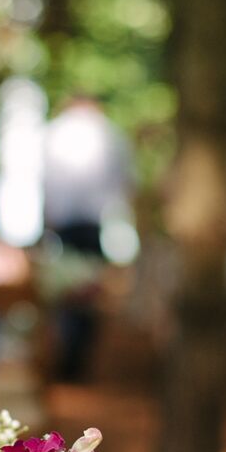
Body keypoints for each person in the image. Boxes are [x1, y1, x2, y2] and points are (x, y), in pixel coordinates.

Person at [41, 95, 135, 380]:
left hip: (65, 224)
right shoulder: (110, 133)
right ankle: (78, 357)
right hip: (94, 224)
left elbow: (43, 179)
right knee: (88, 291)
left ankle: (70, 354)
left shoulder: (54, 132)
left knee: (66, 289)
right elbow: (125, 181)